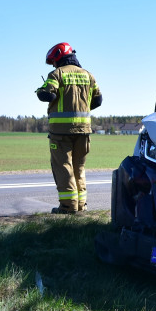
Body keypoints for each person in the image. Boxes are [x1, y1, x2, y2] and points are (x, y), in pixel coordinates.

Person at [37, 43, 102, 214]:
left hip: (61, 133)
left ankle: (68, 206)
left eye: (53, 61)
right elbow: (98, 101)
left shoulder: (57, 74)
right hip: (84, 131)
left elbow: (48, 94)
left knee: (63, 166)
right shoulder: (88, 75)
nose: (53, 65)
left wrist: (40, 91)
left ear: (59, 57)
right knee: (79, 167)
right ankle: (81, 205)